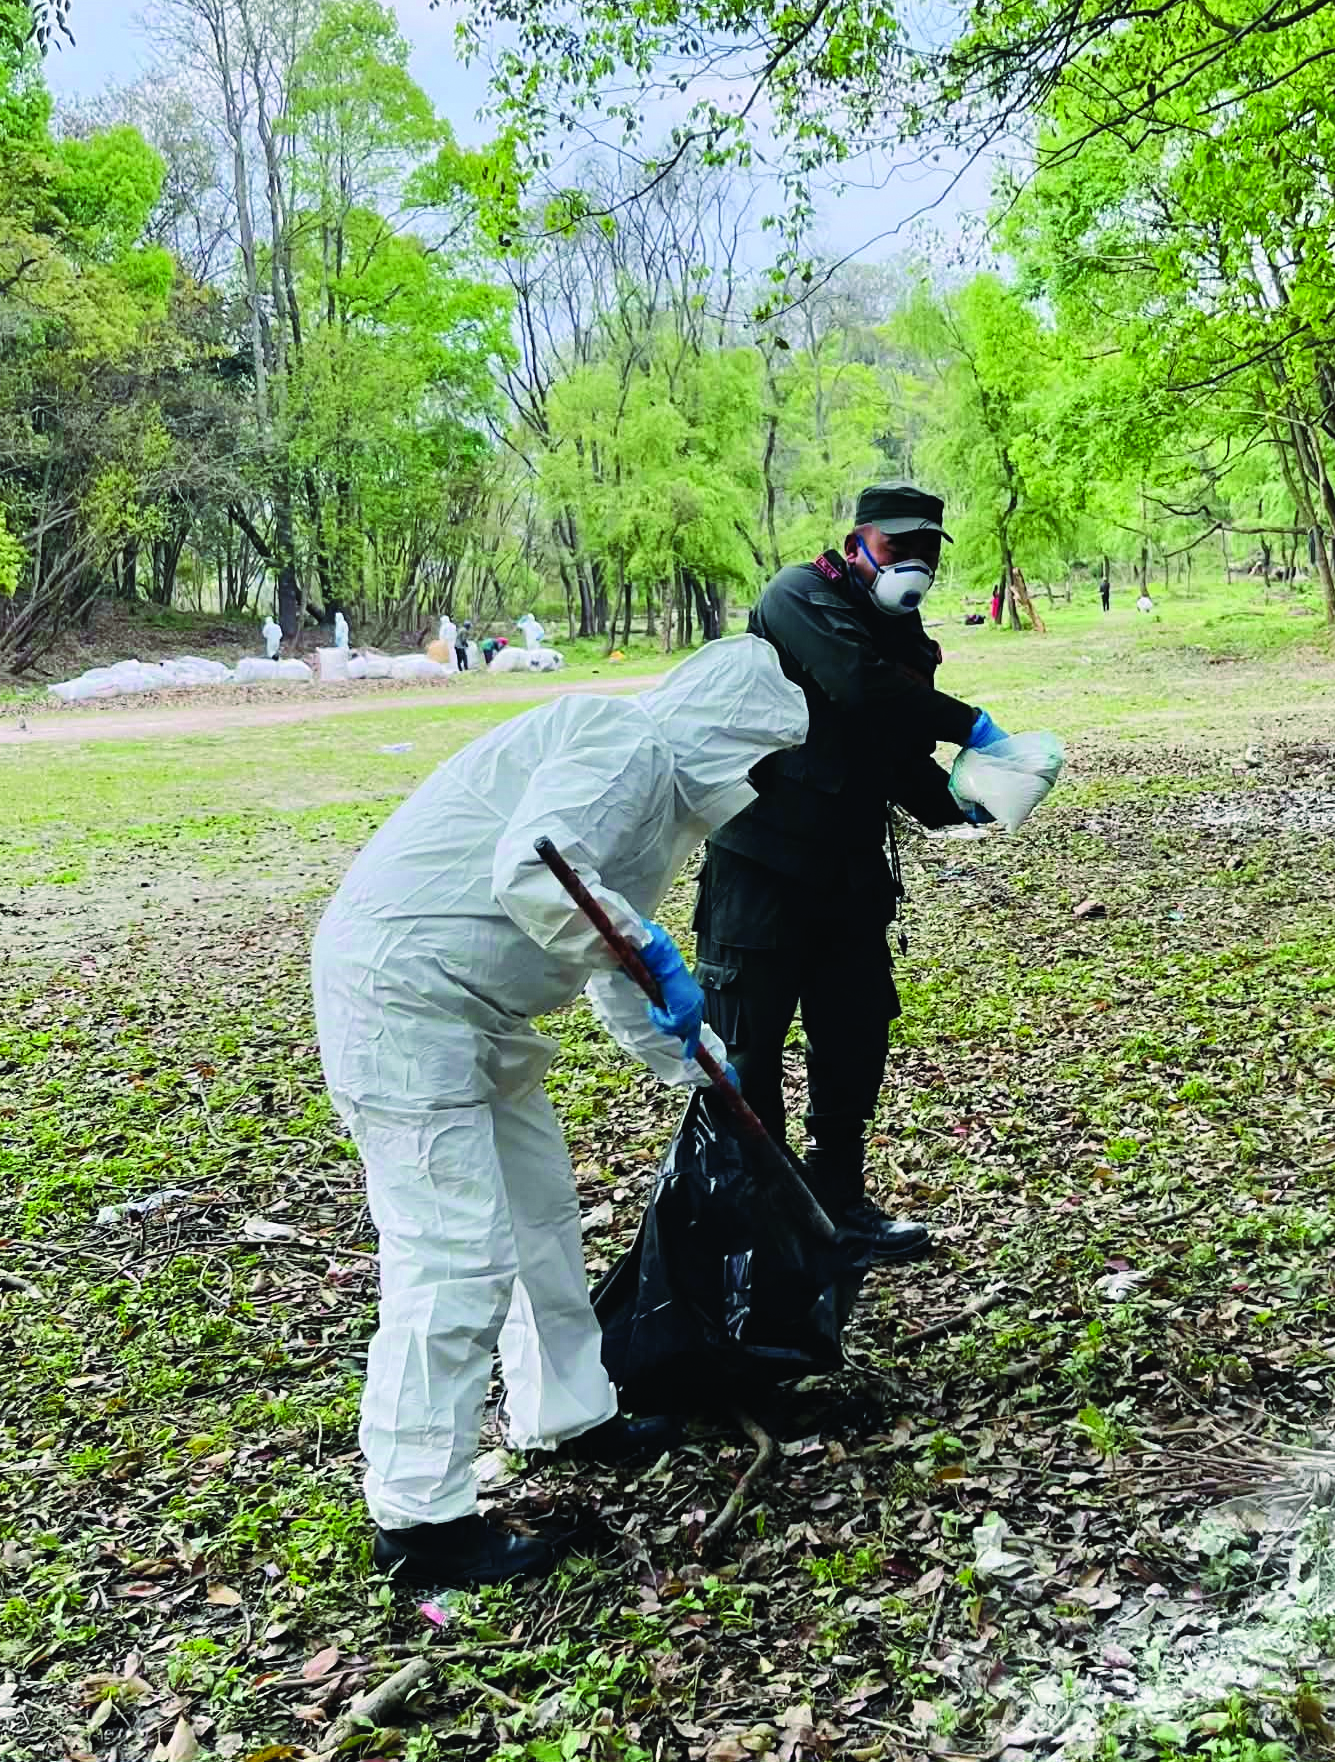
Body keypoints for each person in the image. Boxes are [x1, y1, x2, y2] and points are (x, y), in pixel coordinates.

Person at [311, 636, 809, 1587]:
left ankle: (567, 1412)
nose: (761, 783)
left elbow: (619, 973)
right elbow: (535, 871)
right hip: (404, 997)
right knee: (453, 1247)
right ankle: (420, 1517)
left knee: (541, 1215)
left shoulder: (659, 806)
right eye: (762, 761)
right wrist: (649, 945)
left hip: (480, 1010)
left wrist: (706, 1063)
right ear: (729, 735)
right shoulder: (625, 744)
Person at [694, 484, 1015, 1263]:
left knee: (854, 1037)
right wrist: (970, 722)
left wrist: (961, 802)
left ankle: (839, 1204)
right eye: (898, 545)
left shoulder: (906, 637)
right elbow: (856, 684)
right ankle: (765, 1224)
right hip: (759, 869)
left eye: (928, 548)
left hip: (848, 872)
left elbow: (895, 752)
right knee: (746, 1055)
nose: (915, 562)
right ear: (858, 541)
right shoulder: (800, 596)